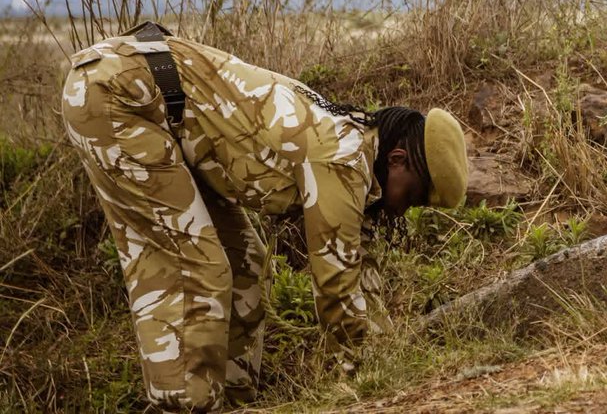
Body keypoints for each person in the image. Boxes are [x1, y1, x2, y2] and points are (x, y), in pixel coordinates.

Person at [60, 22, 469, 411]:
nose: (404, 209)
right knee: (197, 268)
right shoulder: (342, 160)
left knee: (246, 266)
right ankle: (186, 405)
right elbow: (336, 287)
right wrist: (362, 382)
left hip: (157, 105)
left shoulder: (359, 150)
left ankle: (234, 401)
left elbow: (360, 267)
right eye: (412, 197)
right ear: (397, 160)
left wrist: (386, 352)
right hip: (115, 94)